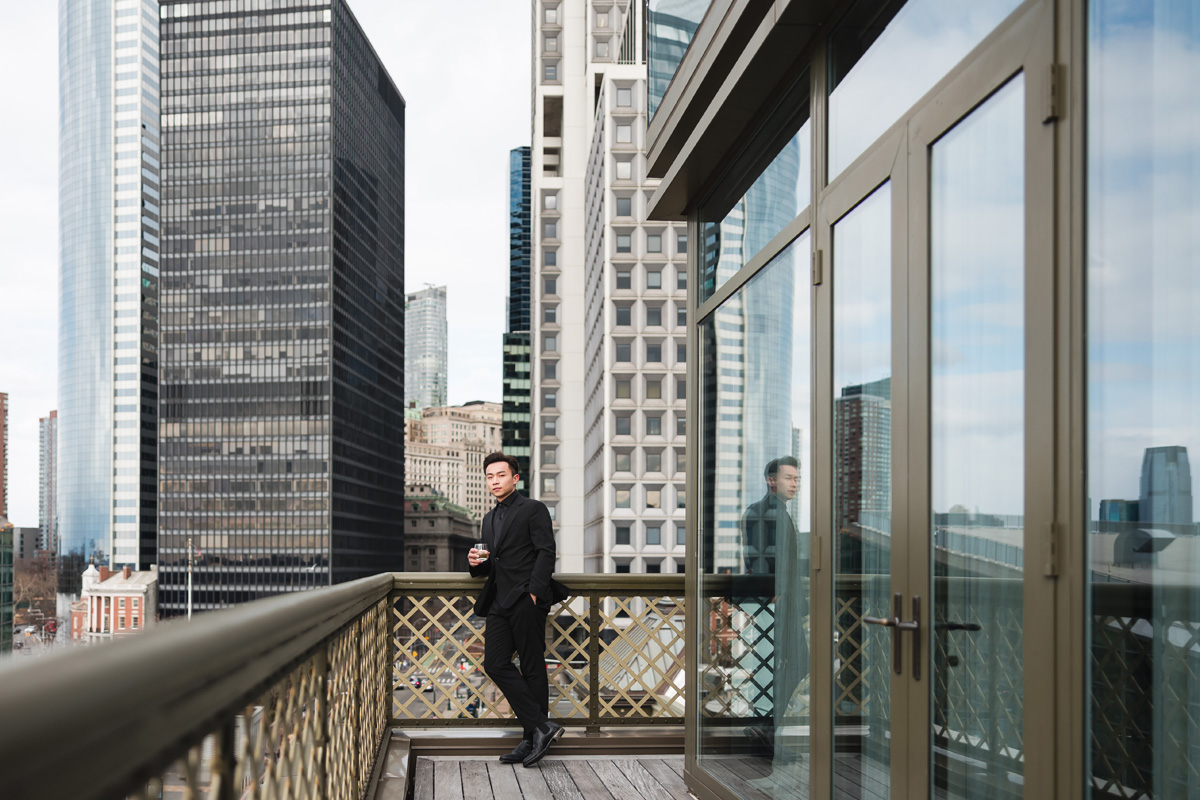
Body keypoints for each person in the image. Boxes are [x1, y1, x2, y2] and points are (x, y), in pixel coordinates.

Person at [468, 452, 570, 767]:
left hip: (526, 598)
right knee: (495, 663)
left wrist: (535, 595)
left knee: (532, 666)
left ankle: (530, 739)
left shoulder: (533, 509)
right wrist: (474, 564)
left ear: (515, 478)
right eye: (489, 476)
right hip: (499, 601)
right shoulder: (488, 518)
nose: (494, 481)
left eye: (501, 475)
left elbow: (546, 551)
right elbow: (489, 564)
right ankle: (541, 727)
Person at [739, 456, 808, 787]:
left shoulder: (777, 512)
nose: (795, 483)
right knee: (776, 666)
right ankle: (765, 731)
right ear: (771, 480)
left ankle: (766, 729)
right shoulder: (762, 511)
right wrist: (773, 589)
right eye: (789, 478)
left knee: (787, 665)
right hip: (772, 604)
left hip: (782, 603)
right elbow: (758, 557)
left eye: (797, 479)